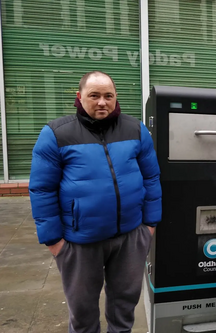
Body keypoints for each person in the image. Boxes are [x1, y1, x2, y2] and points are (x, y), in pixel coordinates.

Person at [29, 71, 162, 333]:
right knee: (82, 313)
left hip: (130, 237)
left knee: (124, 308)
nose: (102, 102)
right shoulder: (56, 134)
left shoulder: (135, 130)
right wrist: (54, 241)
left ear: (115, 98)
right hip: (80, 242)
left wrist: (149, 225)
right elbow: (42, 190)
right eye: (94, 96)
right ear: (80, 98)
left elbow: (151, 177)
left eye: (108, 96)